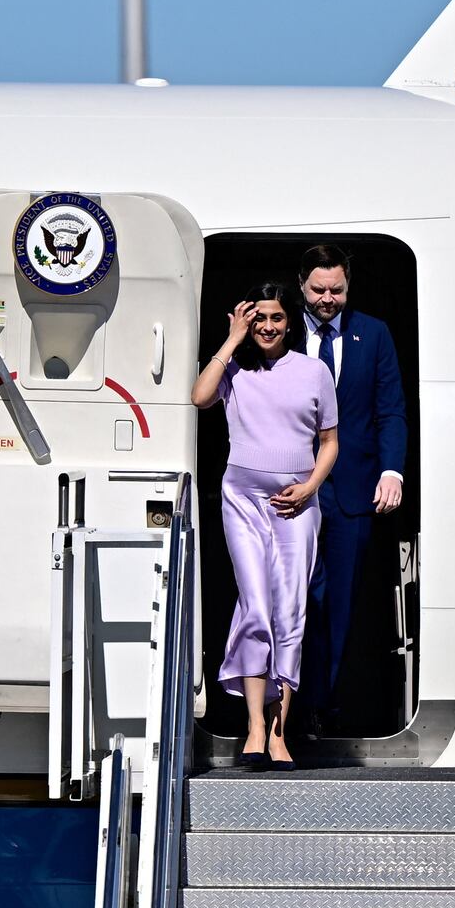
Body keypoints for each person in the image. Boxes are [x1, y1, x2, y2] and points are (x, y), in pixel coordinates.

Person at [191, 282, 339, 769]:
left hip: (297, 503)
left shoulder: (314, 371)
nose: (268, 327)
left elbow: (330, 442)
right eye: (259, 320)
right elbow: (199, 397)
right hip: (243, 499)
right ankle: (254, 726)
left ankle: (279, 732)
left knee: (289, 613)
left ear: (289, 321)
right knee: (255, 606)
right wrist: (231, 340)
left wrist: (310, 487)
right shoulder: (234, 368)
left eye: (276, 318)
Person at [297, 244, 407, 733]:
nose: (327, 299)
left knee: (339, 603)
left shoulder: (375, 334)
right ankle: (287, 705)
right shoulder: (278, 332)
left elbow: (391, 410)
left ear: (349, 287)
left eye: (336, 289)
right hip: (291, 489)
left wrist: (392, 471)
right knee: (293, 598)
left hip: (353, 492)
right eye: (318, 289)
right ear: (302, 284)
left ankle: (325, 704)